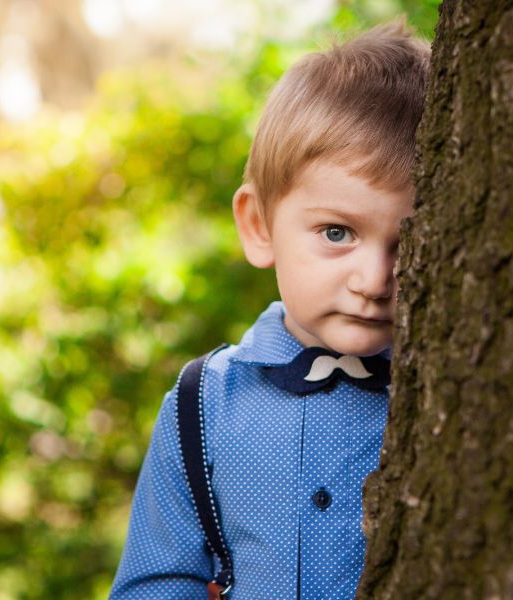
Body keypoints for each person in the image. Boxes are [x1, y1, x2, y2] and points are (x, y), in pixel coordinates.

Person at [110, 21, 430, 599]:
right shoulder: (201, 405)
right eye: (337, 232)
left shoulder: (446, 391)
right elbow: (156, 580)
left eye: (408, 243)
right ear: (259, 227)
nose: (376, 280)